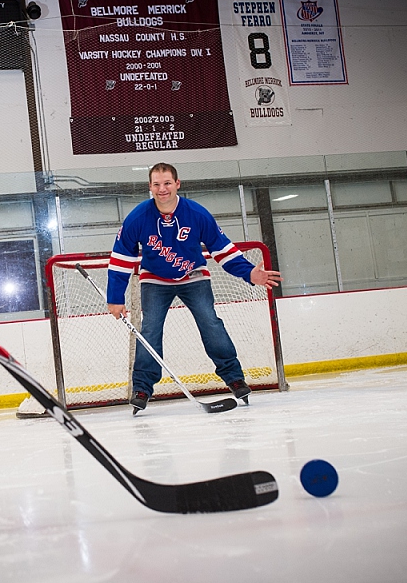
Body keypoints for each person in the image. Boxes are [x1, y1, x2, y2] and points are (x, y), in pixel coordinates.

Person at [107, 163, 282, 414]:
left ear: (177, 184)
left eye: (167, 183)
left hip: (194, 276)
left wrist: (250, 272)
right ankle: (142, 388)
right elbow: (121, 259)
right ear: (150, 187)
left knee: (210, 322)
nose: (162, 189)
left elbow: (222, 249)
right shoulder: (137, 218)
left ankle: (234, 378)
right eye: (156, 184)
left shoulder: (197, 214)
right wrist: (115, 298)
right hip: (155, 280)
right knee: (150, 330)